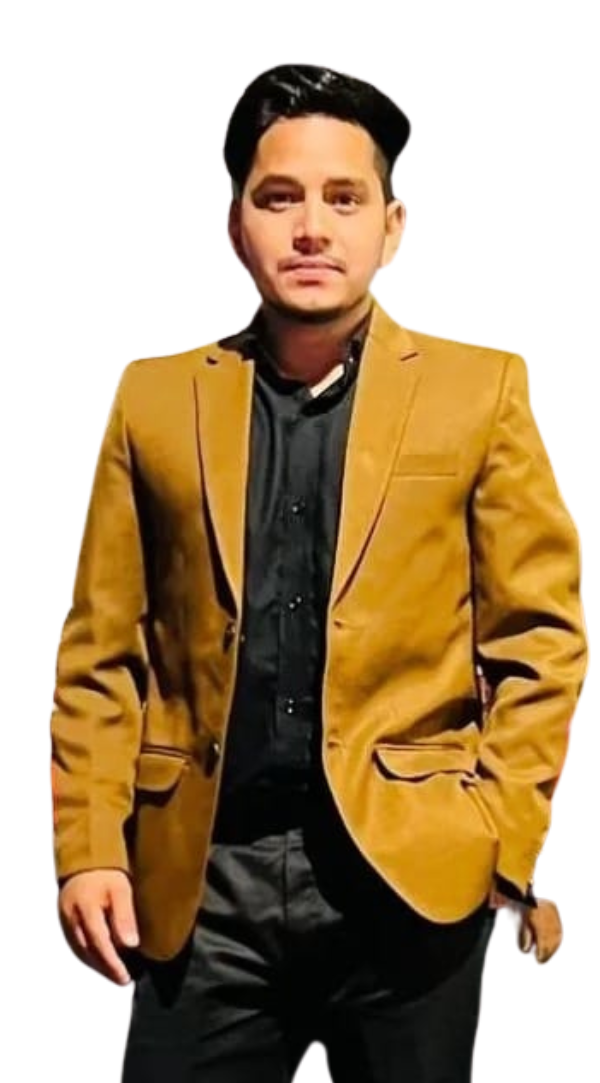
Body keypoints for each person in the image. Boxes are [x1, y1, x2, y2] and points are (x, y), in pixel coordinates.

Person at [50, 64, 587, 1082]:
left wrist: (499, 836)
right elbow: (101, 653)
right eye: (279, 197)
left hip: (409, 887)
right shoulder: (154, 400)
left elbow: (541, 639)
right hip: (205, 888)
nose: (311, 228)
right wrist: (88, 847)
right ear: (235, 224)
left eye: (344, 199)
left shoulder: (481, 391)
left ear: (392, 225)